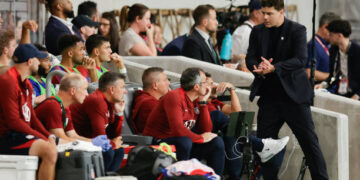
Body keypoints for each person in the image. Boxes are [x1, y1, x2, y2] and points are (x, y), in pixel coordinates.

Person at [245, 0, 328, 179]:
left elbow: (300, 59)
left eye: (269, 13)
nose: (264, 17)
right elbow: (250, 57)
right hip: (269, 98)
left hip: (294, 98)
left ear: (281, 11)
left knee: (310, 144)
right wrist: (257, 67)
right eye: (263, 13)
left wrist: (274, 68)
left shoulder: (297, 30)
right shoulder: (257, 31)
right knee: (265, 146)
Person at [205, 72, 289, 180]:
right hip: (222, 140)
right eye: (211, 83)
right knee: (234, 133)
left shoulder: (215, 103)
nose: (215, 86)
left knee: (278, 146)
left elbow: (237, 113)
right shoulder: (202, 104)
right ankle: (262, 147)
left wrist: (232, 90)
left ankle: (258, 176)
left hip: (234, 135)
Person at [143, 68, 224, 176]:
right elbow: (178, 129)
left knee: (216, 142)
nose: (208, 86)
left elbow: (206, 130)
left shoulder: (196, 99)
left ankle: (214, 178)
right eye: (205, 82)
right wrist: (200, 138)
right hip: (159, 142)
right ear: (196, 86)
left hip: (182, 143)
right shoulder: (174, 97)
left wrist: (203, 103)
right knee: (185, 141)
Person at [35, 73, 123, 171]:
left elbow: (72, 135)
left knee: (118, 151)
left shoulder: (65, 108)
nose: (87, 94)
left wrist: (94, 142)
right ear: (73, 90)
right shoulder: (52, 105)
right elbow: (60, 139)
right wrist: (93, 143)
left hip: (54, 147)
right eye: (85, 89)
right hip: (41, 150)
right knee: (107, 151)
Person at [0, 44, 58, 180]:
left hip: (20, 134)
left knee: (60, 145)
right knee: (49, 151)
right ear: (30, 61)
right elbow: (13, 122)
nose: (40, 63)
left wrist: (48, 136)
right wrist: (42, 137)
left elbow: (32, 117)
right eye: (38, 59)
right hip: (7, 136)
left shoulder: (26, 84)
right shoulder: (8, 81)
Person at [70, 71, 126, 170]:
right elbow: (100, 138)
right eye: (122, 87)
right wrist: (113, 143)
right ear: (112, 89)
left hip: (90, 141)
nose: (125, 91)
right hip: (77, 142)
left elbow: (114, 136)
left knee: (119, 151)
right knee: (109, 151)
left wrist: (119, 114)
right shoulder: (97, 101)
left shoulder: (109, 102)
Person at [316, 20, 360, 100]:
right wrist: (323, 84)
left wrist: (357, 95)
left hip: (356, 95)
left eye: (331, 35)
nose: (329, 37)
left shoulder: (357, 51)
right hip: (341, 92)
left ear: (339, 36)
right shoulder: (333, 50)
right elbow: (332, 76)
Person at [131, 67, 170, 134]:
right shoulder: (148, 103)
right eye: (165, 80)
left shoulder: (155, 100)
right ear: (155, 85)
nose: (169, 83)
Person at [306, 12, 340, 83]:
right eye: (335, 31)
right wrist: (332, 76)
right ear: (325, 27)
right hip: (319, 91)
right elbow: (309, 73)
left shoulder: (330, 45)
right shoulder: (313, 45)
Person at [231, 0, 264, 71]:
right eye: (264, 12)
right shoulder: (246, 31)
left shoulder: (249, 29)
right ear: (256, 13)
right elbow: (238, 58)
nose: (266, 16)